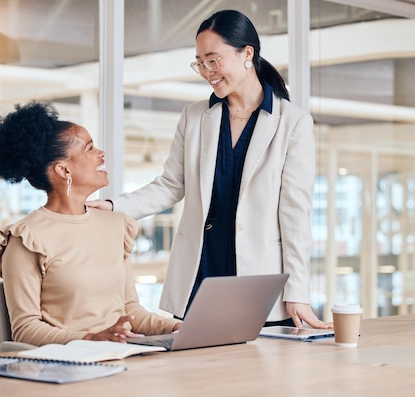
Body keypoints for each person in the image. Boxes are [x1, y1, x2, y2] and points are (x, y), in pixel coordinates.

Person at [88, 9, 331, 329]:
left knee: (261, 375)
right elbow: (170, 185)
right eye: (200, 62)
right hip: (201, 268)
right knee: (197, 374)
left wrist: (298, 292)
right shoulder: (194, 117)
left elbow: (295, 215)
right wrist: (113, 206)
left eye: (213, 60)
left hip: (259, 276)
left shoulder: (292, 123)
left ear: (247, 53)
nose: (206, 71)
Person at [0, 102, 181, 347]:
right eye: (89, 148)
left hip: (123, 358)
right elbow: (25, 329)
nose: (101, 154)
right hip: (66, 368)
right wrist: (90, 339)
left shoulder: (115, 226)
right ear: (63, 169)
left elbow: (132, 311)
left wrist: (177, 327)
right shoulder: (27, 238)